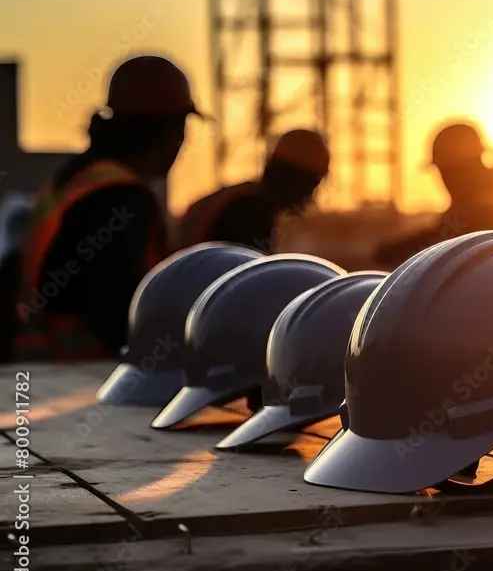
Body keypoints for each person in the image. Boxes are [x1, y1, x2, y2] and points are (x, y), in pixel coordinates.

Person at [11, 55, 202, 361]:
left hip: (42, 374)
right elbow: (118, 310)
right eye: (182, 129)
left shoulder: (75, 181)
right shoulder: (118, 197)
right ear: (170, 131)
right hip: (85, 380)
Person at [373, 122, 493, 268]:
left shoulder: (489, 206)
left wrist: (397, 250)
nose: (443, 180)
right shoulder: (470, 203)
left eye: (445, 171)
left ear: (462, 169)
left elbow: (445, 243)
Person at [174, 129, 329, 253]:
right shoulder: (249, 213)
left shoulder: (238, 199)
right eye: (312, 185)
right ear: (298, 181)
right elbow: (245, 283)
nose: (310, 196)